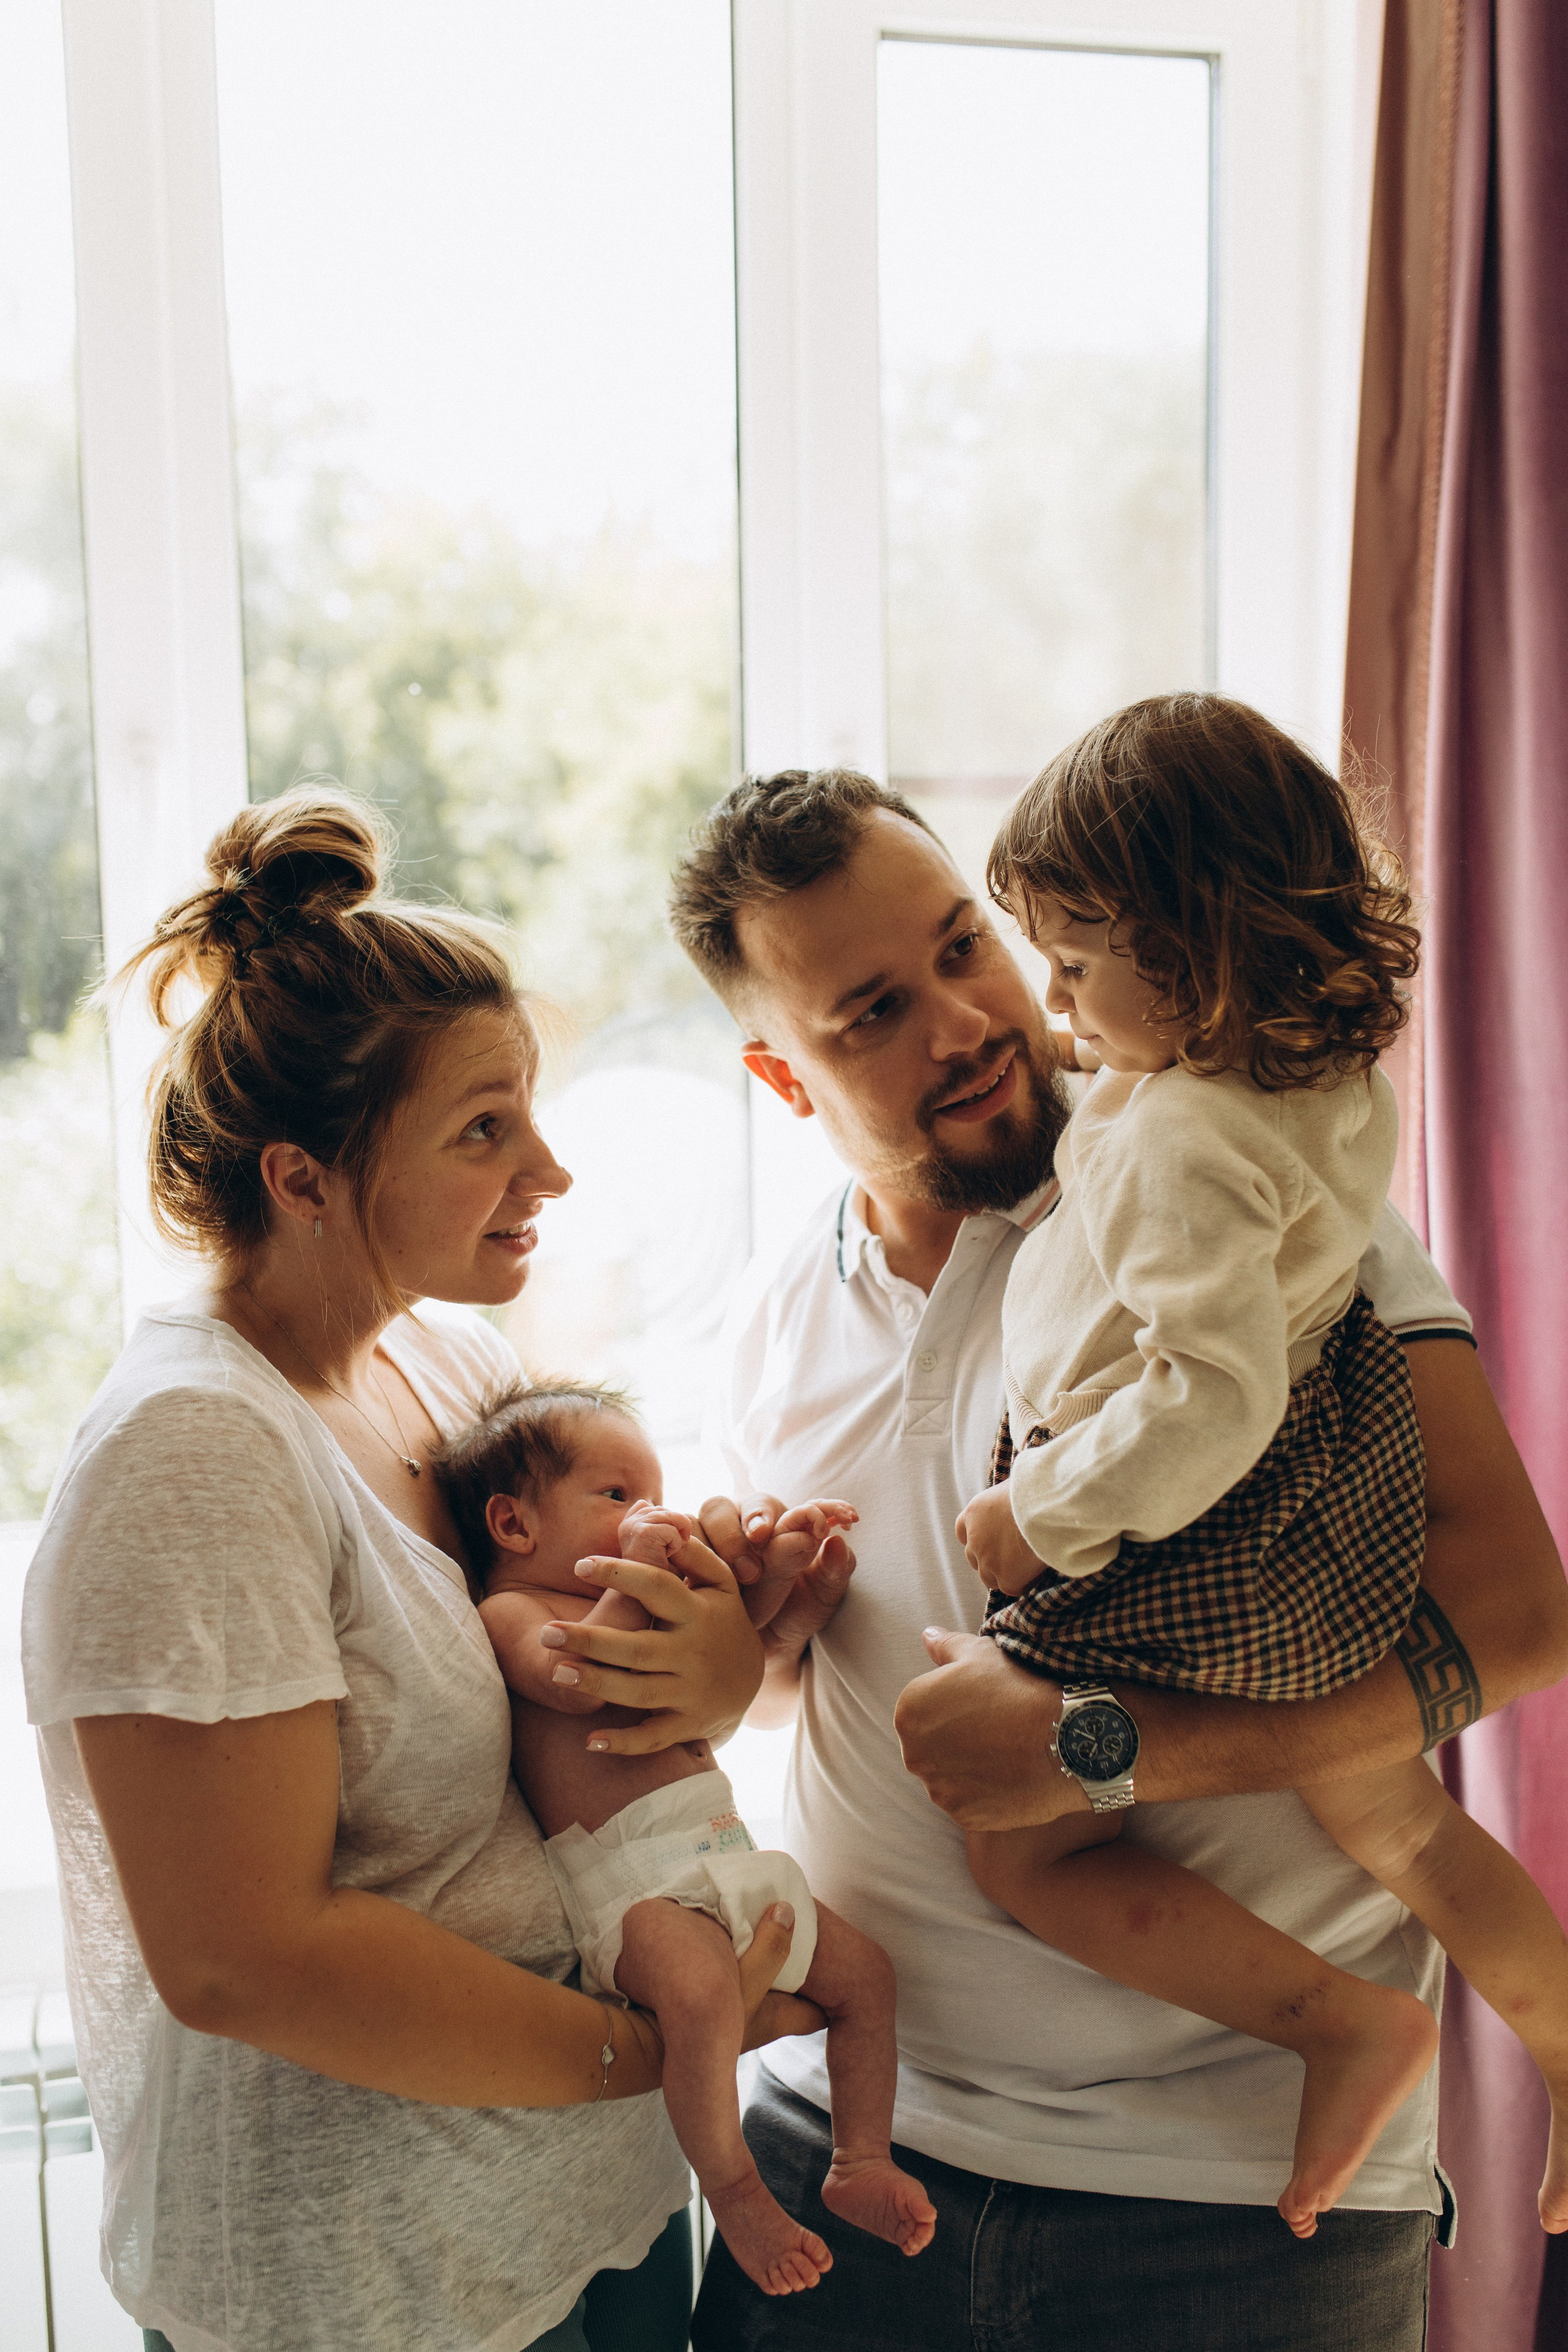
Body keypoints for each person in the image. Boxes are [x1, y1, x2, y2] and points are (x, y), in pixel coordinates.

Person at [549, 762, 1568, 2352]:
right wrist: (737, 1659)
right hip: (853, 2155)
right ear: (779, 1077)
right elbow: (785, 1697)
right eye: (871, 1012)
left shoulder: (1231, 1193)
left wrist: (1087, 1754)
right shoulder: (769, 1319)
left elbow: (1515, 1616)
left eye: (966, 948)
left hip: (1237, 2203)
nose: (959, 1022)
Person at [20, 785, 818, 2352]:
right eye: (482, 1131)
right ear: (299, 1176)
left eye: (527, 1109)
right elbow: (247, 1960)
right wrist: (635, 2051)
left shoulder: (443, 1367)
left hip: (576, 2224)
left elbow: (547, 1711)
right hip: (370, 2292)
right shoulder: (194, 1453)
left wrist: (724, 1646)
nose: (550, 1172)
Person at [953, 694, 1568, 2241]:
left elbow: (1205, 1401)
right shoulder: (1314, 1082)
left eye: (1076, 965)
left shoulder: (1178, 1139)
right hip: (1314, 1497)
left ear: (1193, 957)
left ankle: (1334, 2020)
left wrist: (1037, 1513)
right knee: (1409, 1829)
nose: (1052, 1004)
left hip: (1201, 1531)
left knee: (1019, 1841)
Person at [434, 1380, 936, 2296]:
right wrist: (643, 1576)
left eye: (654, 1489)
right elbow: (583, 1678)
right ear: (513, 1526)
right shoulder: (510, 1614)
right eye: (617, 1495)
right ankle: (736, 2190)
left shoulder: (645, 1601)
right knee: (703, 1998)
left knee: (867, 1976)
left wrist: (792, 1571)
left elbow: (748, 1645)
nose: (651, 1511)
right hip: (632, 1887)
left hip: (725, 1854)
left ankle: (860, 2158)